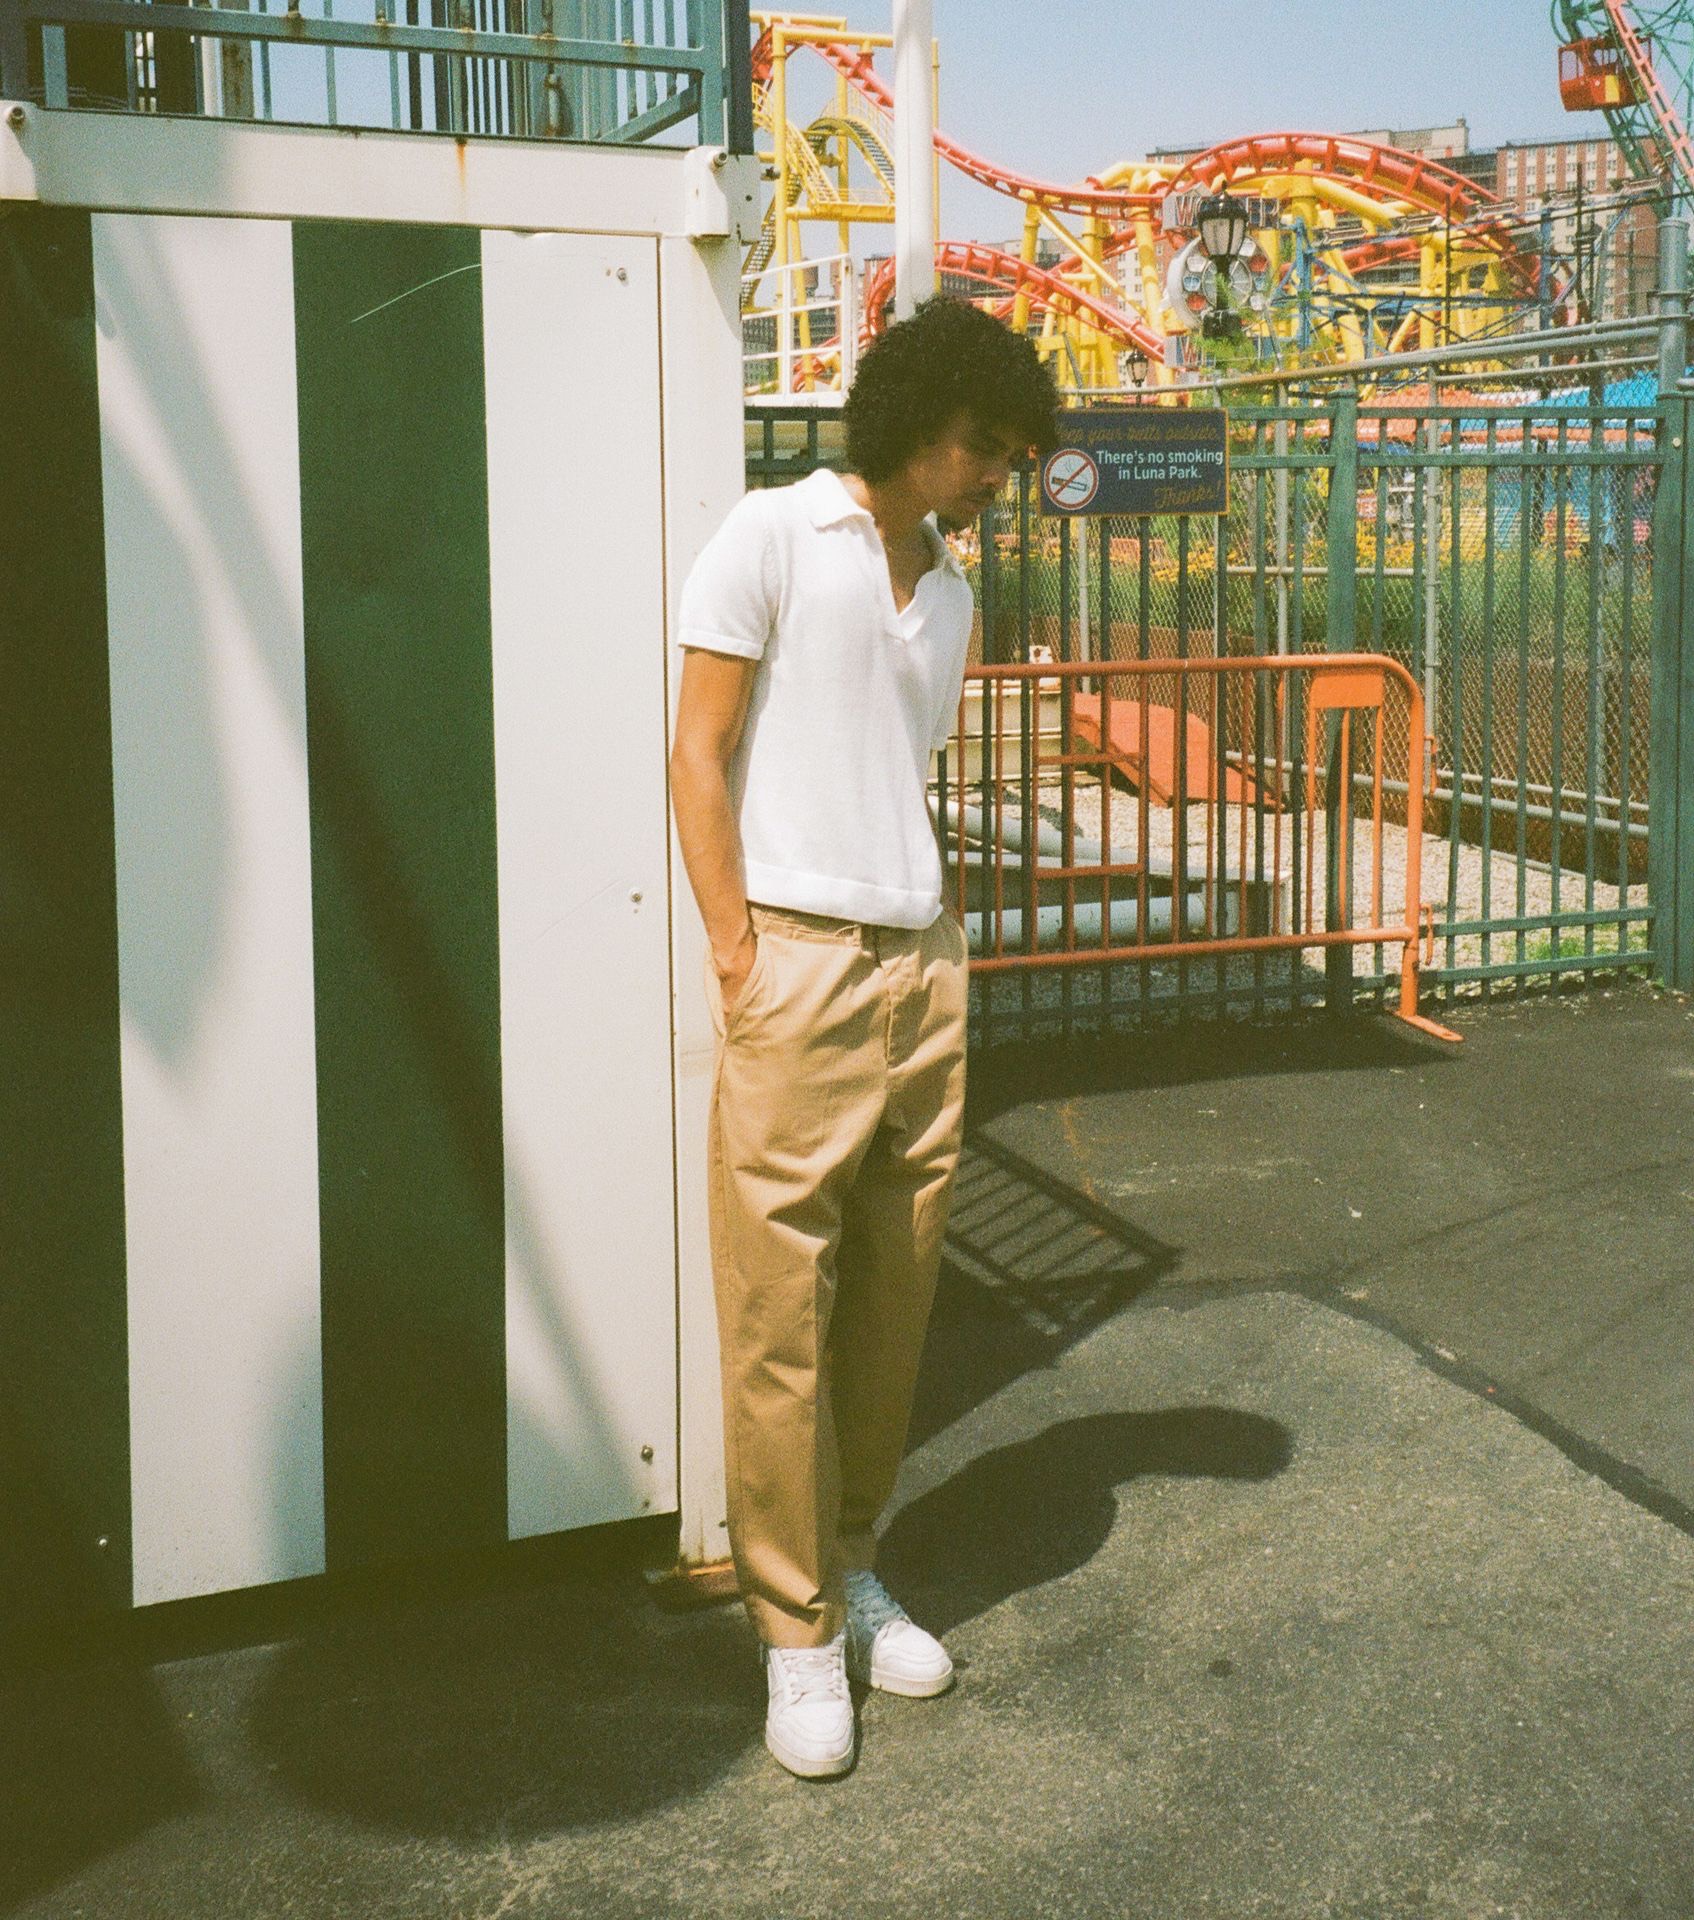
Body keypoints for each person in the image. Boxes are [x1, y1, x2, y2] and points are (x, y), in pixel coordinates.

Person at [668, 295, 1057, 1780]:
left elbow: (896, 772)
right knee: (778, 1307)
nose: (992, 479)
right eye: (981, 447)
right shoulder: (771, 536)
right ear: (910, 419)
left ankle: (853, 1559)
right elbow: (696, 752)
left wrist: (931, 937)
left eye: (1014, 459)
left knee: (894, 1293)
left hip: (920, 958)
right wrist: (736, 955)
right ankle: (788, 1628)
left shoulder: (950, 595)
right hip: (799, 960)